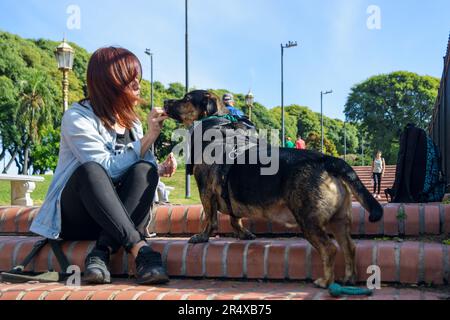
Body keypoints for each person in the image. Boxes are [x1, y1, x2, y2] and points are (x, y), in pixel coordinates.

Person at [30, 47, 176, 285]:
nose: (138, 85)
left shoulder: (134, 124)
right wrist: (148, 138)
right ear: (111, 83)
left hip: (117, 217)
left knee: (145, 171)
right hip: (79, 216)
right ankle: (140, 250)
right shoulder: (77, 117)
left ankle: (101, 253)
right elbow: (106, 168)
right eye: (131, 79)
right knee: (91, 170)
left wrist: (157, 168)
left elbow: (140, 169)